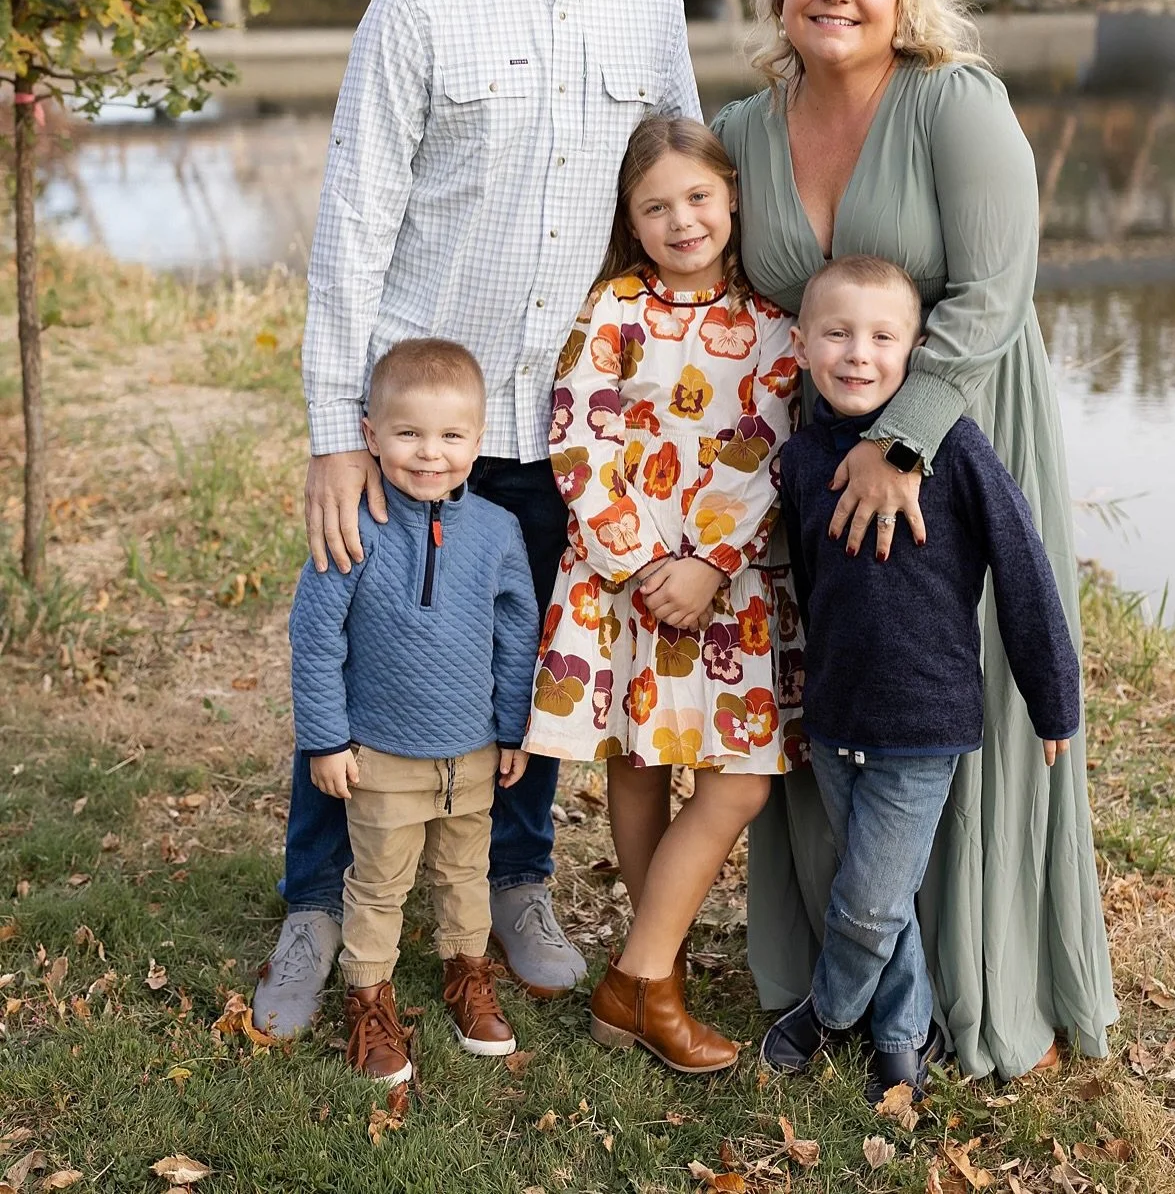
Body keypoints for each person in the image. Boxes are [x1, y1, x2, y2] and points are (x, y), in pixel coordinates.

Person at [254, 0, 702, 1038]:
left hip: (570, 429)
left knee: (527, 672)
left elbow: (671, 206)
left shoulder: (656, 14)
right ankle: (314, 903)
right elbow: (352, 228)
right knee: (360, 654)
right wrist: (339, 435)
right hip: (420, 427)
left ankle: (511, 884)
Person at [713, 0, 1117, 1081]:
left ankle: (971, 984)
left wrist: (902, 444)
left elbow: (997, 287)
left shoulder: (954, 102)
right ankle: (859, 978)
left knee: (953, 692)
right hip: (815, 464)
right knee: (840, 690)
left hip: (958, 426)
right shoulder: (744, 126)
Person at [758, 256, 1080, 1104]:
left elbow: (1022, 568)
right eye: (835, 333)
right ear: (799, 343)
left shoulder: (954, 447)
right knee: (882, 892)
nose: (857, 354)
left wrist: (1053, 698)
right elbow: (809, 582)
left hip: (922, 719)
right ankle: (905, 1034)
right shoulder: (796, 461)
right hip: (832, 712)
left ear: (917, 348)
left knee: (866, 904)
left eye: (880, 337)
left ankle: (826, 1014)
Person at [523, 116, 801, 1072]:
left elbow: (770, 451)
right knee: (636, 766)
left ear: (730, 199)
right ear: (630, 223)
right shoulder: (610, 314)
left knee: (741, 779)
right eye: (655, 206)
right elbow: (577, 437)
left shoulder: (774, 326)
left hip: (728, 588)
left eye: (696, 197)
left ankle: (632, 973)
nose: (681, 219)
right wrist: (640, 562)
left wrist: (711, 562)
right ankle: (660, 982)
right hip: (621, 582)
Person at [289, 339, 540, 1084]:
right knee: (379, 882)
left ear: (479, 438)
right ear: (370, 435)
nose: (430, 454)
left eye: (451, 436)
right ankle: (369, 999)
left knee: (466, 871)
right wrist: (327, 741)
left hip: (469, 752)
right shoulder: (355, 524)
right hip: (382, 754)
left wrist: (513, 727)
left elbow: (518, 631)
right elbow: (314, 636)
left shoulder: (497, 531)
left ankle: (467, 974)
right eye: (408, 434)